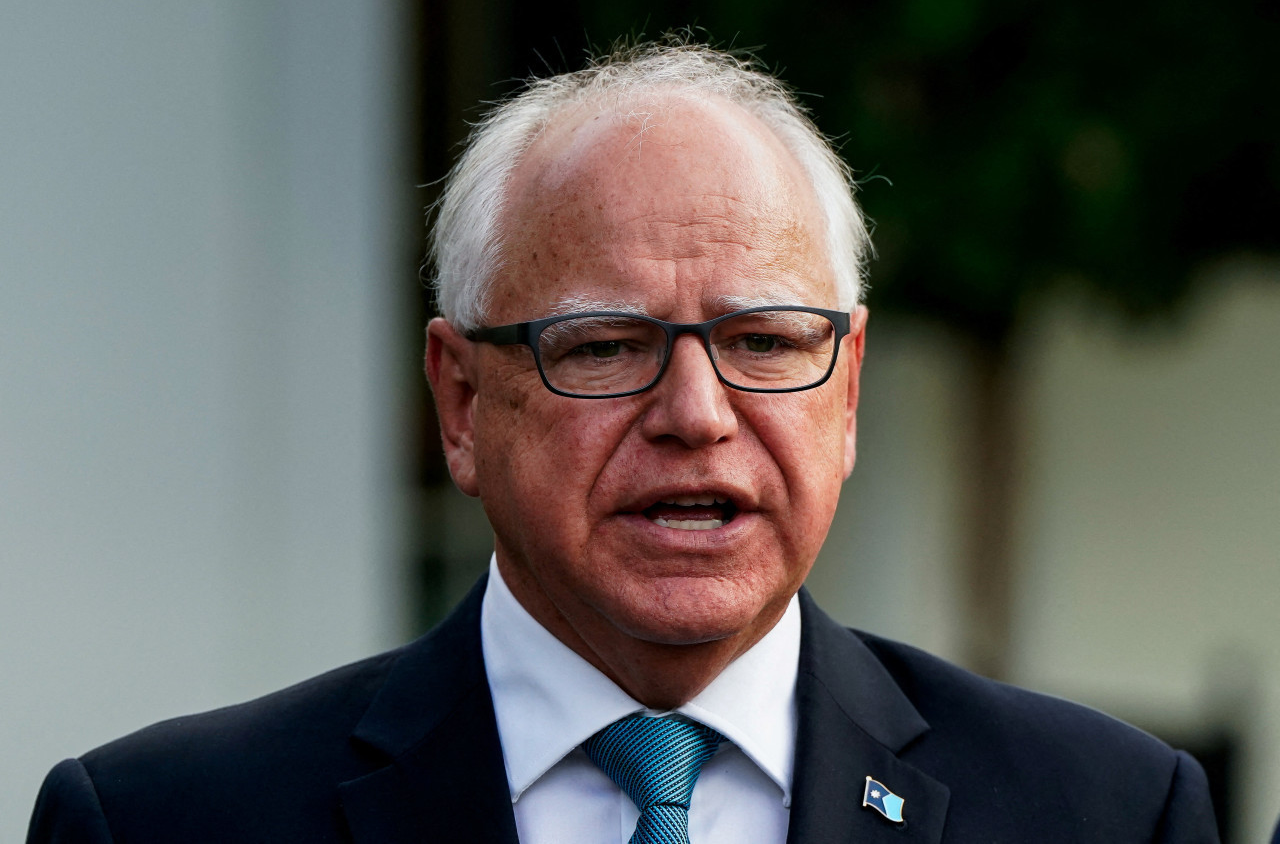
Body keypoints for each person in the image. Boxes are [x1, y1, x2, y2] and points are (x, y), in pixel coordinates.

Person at [28, 41, 1218, 843]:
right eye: (601, 347)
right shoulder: (158, 820)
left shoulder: (1107, 810)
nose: (696, 414)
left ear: (845, 393)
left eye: (762, 340)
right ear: (458, 402)